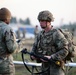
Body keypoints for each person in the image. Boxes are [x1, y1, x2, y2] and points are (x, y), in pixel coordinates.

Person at [30, 10, 69, 75]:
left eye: (42, 21)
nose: (40, 23)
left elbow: (65, 50)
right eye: (39, 21)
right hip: (44, 69)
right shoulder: (40, 35)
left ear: (49, 21)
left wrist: (51, 57)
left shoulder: (56, 34)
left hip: (56, 69)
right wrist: (33, 56)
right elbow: (34, 48)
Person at [0, 7, 24, 75]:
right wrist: (20, 45)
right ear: (6, 18)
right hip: (5, 67)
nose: (10, 19)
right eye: (9, 18)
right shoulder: (7, 29)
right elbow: (12, 49)